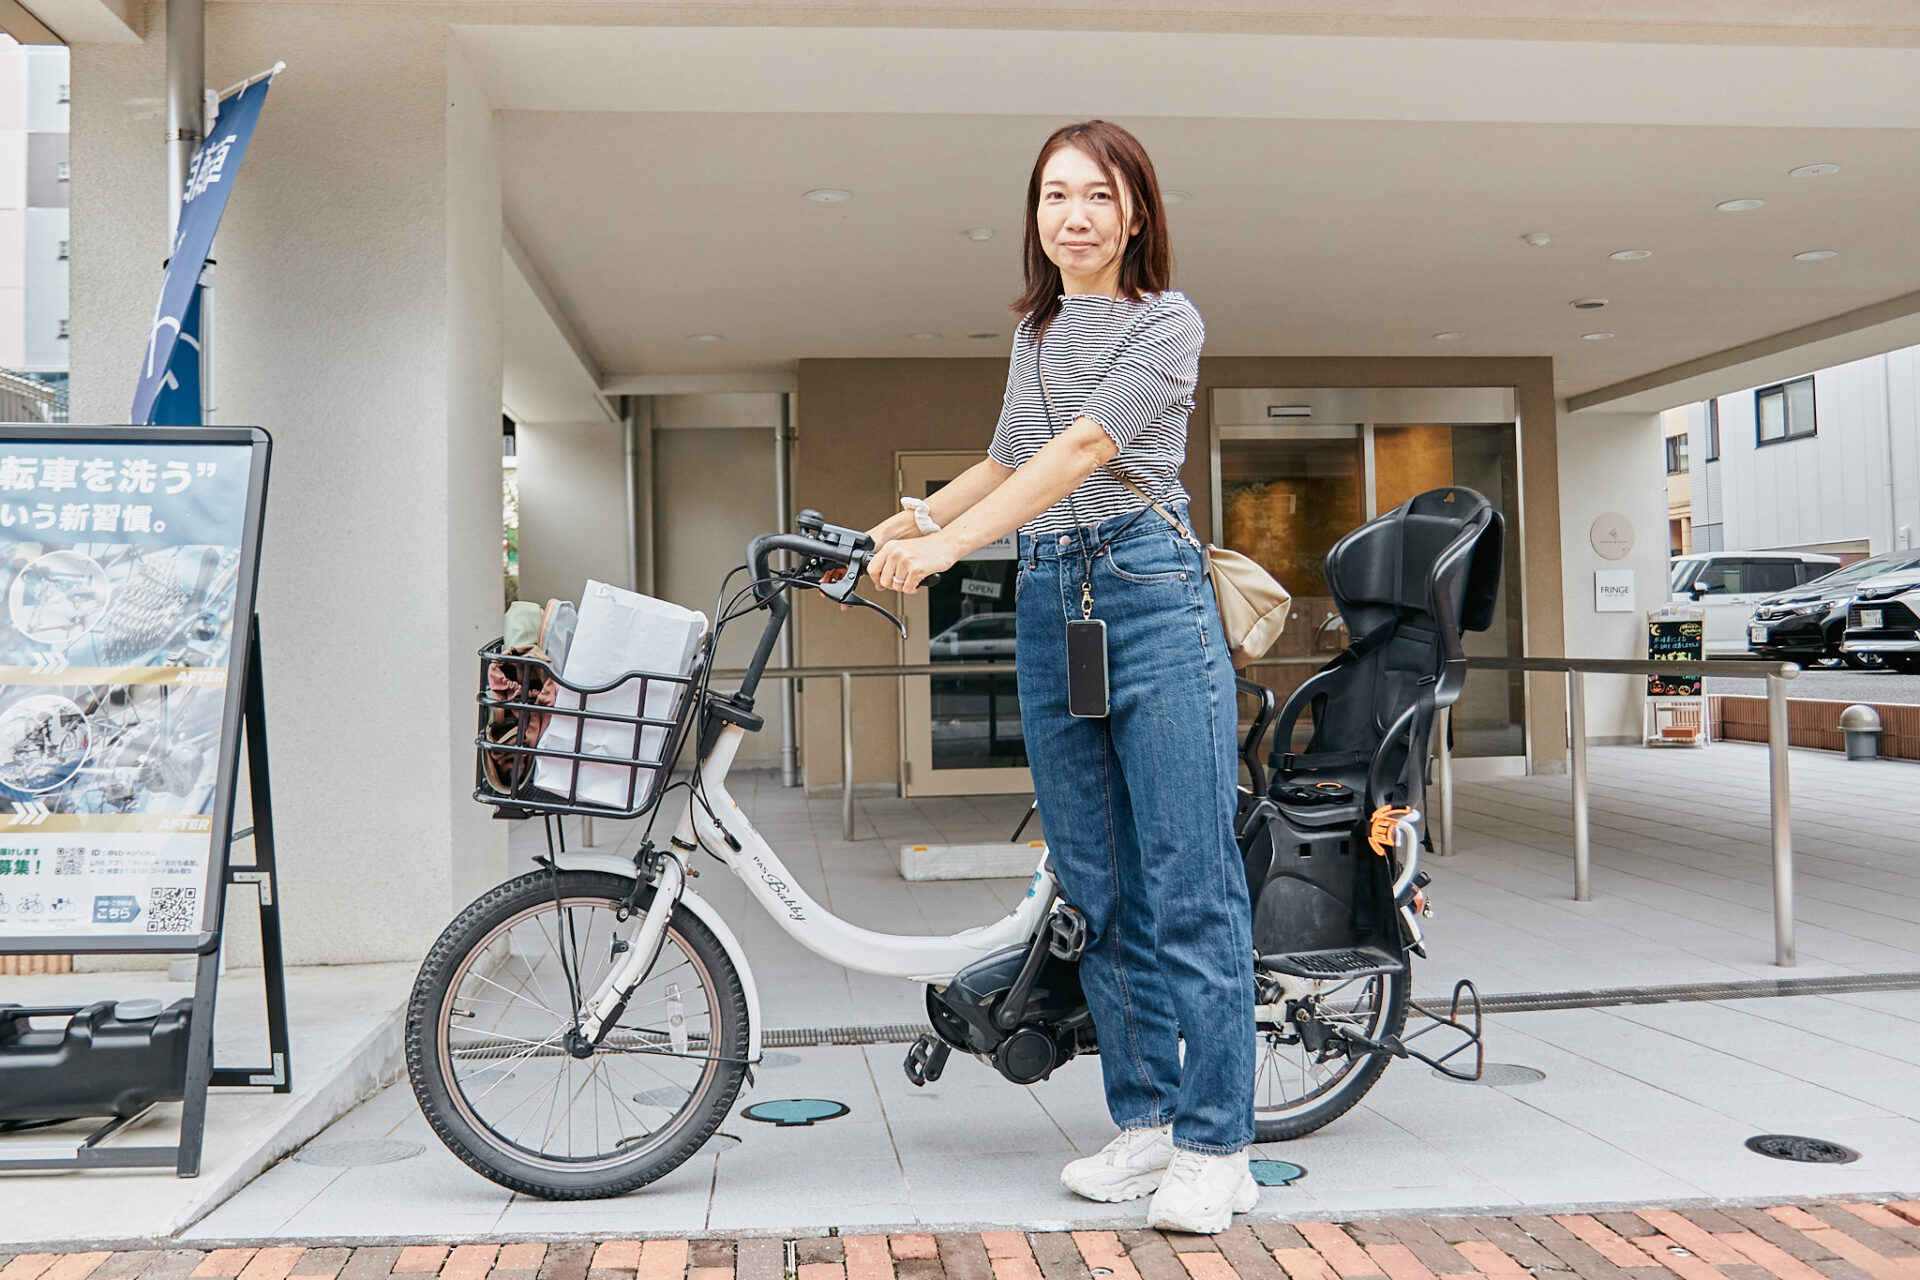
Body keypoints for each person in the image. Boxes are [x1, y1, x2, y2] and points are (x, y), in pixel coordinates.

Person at [863, 119, 1258, 1234]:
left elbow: (1083, 451)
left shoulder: (1167, 323)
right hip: (1053, 599)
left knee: (1190, 877)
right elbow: (1008, 454)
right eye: (1053, 197)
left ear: (1136, 212)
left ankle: (1219, 1144)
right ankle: (1145, 1118)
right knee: (1094, 878)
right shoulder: (1036, 329)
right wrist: (915, 515)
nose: (1073, 215)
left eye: (1096, 195)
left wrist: (949, 551)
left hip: (1147, 591)